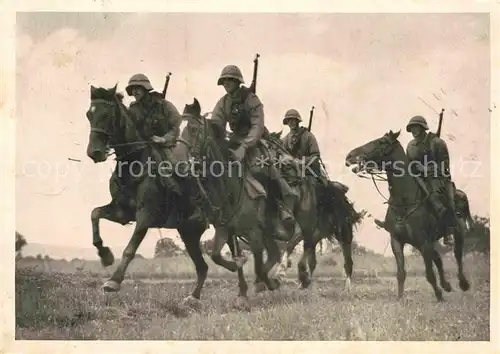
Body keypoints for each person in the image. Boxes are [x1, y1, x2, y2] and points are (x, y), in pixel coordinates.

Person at [210, 64, 298, 231]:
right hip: (234, 140)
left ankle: (281, 207)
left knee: (263, 170)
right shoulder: (223, 102)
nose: (226, 84)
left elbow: (257, 126)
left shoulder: (251, 99)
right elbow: (217, 124)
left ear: (237, 81)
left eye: (229, 80)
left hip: (256, 141)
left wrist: (245, 146)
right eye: (224, 81)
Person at [125, 73, 184, 195]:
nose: (135, 92)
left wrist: (163, 139)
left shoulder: (163, 104)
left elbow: (176, 123)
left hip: (164, 147)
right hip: (142, 147)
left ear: (145, 88)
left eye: (138, 88)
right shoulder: (133, 109)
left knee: (177, 170)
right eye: (133, 89)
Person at [405, 115, 456, 246]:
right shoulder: (410, 146)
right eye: (412, 128)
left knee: (439, 198)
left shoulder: (437, 142)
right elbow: (407, 164)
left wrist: (427, 169)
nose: (414, 131)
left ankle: (448, 231)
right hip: (417, 179)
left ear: (423, 128)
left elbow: (445, 164)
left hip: (436, 178)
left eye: (416, 127)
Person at [281, 109, 329, 186]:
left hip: (308, 172)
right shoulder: (285, 140)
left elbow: (315, 156)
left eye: (293, 120)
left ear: (298, 121)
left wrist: (300, 162)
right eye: (289, 120)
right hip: (292, 172)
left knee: (310, 185)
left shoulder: (308, 136)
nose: (291, 122)